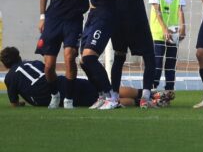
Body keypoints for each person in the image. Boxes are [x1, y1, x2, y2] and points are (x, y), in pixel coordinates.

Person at [1, 46, 172, 108]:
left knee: (99, 101)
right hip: (63, 82)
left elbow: (15, 103)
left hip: (51, 96)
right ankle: (149, 93)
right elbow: (48, 70)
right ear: (19, 57)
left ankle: (149, 102)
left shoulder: (10, 78)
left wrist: (22, 102)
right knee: (105, 91)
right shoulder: (32, 63)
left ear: (5, 65)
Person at [149, 0, 186, 93]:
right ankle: (152, 89)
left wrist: (183, 29)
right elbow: (157, 11)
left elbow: (180, 11)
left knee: (170, 64)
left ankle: (169, 90)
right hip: (158, 34)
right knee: (157, 62)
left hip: (173, 34)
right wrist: (164, 29)